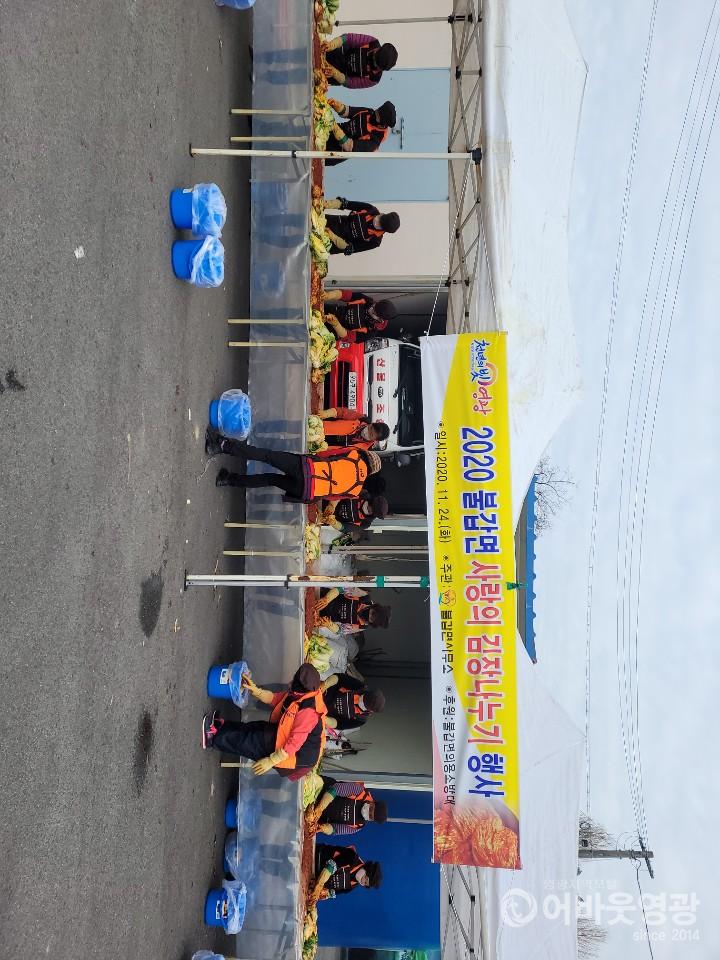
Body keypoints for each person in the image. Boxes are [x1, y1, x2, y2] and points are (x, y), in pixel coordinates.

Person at [202, 664, 327, 780]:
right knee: (254, 728)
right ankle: (221, 728)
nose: (291, 681)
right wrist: (257, 691)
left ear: (301, 688)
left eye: (294, 680)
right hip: (285, 736)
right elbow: (277, 699)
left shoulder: (309, 711)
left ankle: (212, 738)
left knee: (250, 742)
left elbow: (295, 742)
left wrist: (271, 761)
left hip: (296, 754)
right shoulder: (301, 692)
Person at [206, 429, 382, 502]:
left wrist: (307, 459)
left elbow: (326, 455)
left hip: (306, 468)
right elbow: (330, 497)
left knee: (267, 456)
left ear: (366, 456)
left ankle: (222, 445)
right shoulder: (355, 491)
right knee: (270, 479)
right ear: (370, 473)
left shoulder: (354, 455)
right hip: (306, 491)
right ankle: (227, 480)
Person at [308, 776, 388, 836]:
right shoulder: (360, 792)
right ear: (373, 802)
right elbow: (335, 789)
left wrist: (323, 828)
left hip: (315, 815)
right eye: (371, 809)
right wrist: (320, 808)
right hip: (318, 789)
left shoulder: (357, 826)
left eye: (370, 816)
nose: (368, 812)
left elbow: (335, 829)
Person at [325, 98, 396, 164]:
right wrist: (337, 105)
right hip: (330, 131)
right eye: (376, 111)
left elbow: (349, 146)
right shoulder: (369, 112)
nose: (374, 115)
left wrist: (336, 129)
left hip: (334, 150)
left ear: (382, 124)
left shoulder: (375, 141)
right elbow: (348, 111)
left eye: (377, 117)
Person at [323, 198, 400, 256]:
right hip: (334, 221)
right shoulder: (371, 209)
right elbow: (345, 204)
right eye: (379, 218)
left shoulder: (375, 241)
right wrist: (327, 204)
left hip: (334, 242)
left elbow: (349, 248)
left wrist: (332, 236)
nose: (376, 222)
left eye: (379, 225)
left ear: (383, 230)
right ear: (382, 214)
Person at [310, 843, 383, 901]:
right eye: (365, 879)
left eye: (365, 884)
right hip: (314, 856)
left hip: (312, 878)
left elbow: (331, 892)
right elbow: (330, 867)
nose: (363, 883)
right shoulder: (352, 857)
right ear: (366, 869)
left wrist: (322, 894)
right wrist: (319, 885)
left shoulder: (352, 885)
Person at [322, 34, 398, 89]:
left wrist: (335, 74)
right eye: (372, 56)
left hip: (334, 75)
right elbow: (348, 38)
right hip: (333, 52)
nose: (370, 61)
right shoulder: (372, 42)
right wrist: (333, 44)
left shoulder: (374, 79)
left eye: (374, 64)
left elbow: (350, 83)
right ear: (378, 48)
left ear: (380, 69)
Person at [321, 289, 398, 338]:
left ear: (380, 319)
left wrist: (336, 324)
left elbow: (346, 336)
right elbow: (344, 295)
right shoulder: (367, 301)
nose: (371, 309)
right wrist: (329, 295)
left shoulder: (370, 332)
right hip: (330, 310)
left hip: (330, 331)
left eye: (374, 312)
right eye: (374, 306)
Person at [315, 587, 391, 632]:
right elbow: (341, 589)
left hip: (320, 617)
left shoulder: (362, 626)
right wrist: (327, 599)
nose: (369, 615)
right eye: (372, 613)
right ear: (374, 607)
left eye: (371, 618)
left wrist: (329, 625)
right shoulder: (364, 597)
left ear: (372, 623)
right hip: (319, 596)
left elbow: (341, 630)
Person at [318, 406, 390, 450]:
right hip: (318, 428)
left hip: (320, 448)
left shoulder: (363, 450)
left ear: (375, 440)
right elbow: (342, 412)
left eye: (370, 435)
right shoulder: (360, 418)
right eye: (369, 428)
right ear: (371, 424)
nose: (367, 432)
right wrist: (328, 413)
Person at [321, 490, 389, 531]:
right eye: (369, 506)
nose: (368, 509)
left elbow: (345, 528)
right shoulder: (363, 494)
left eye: (370, 511)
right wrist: (332, 505)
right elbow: (343, 493)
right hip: (323, 499)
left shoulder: (365, 523)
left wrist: (334, 523)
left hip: (323, 518)